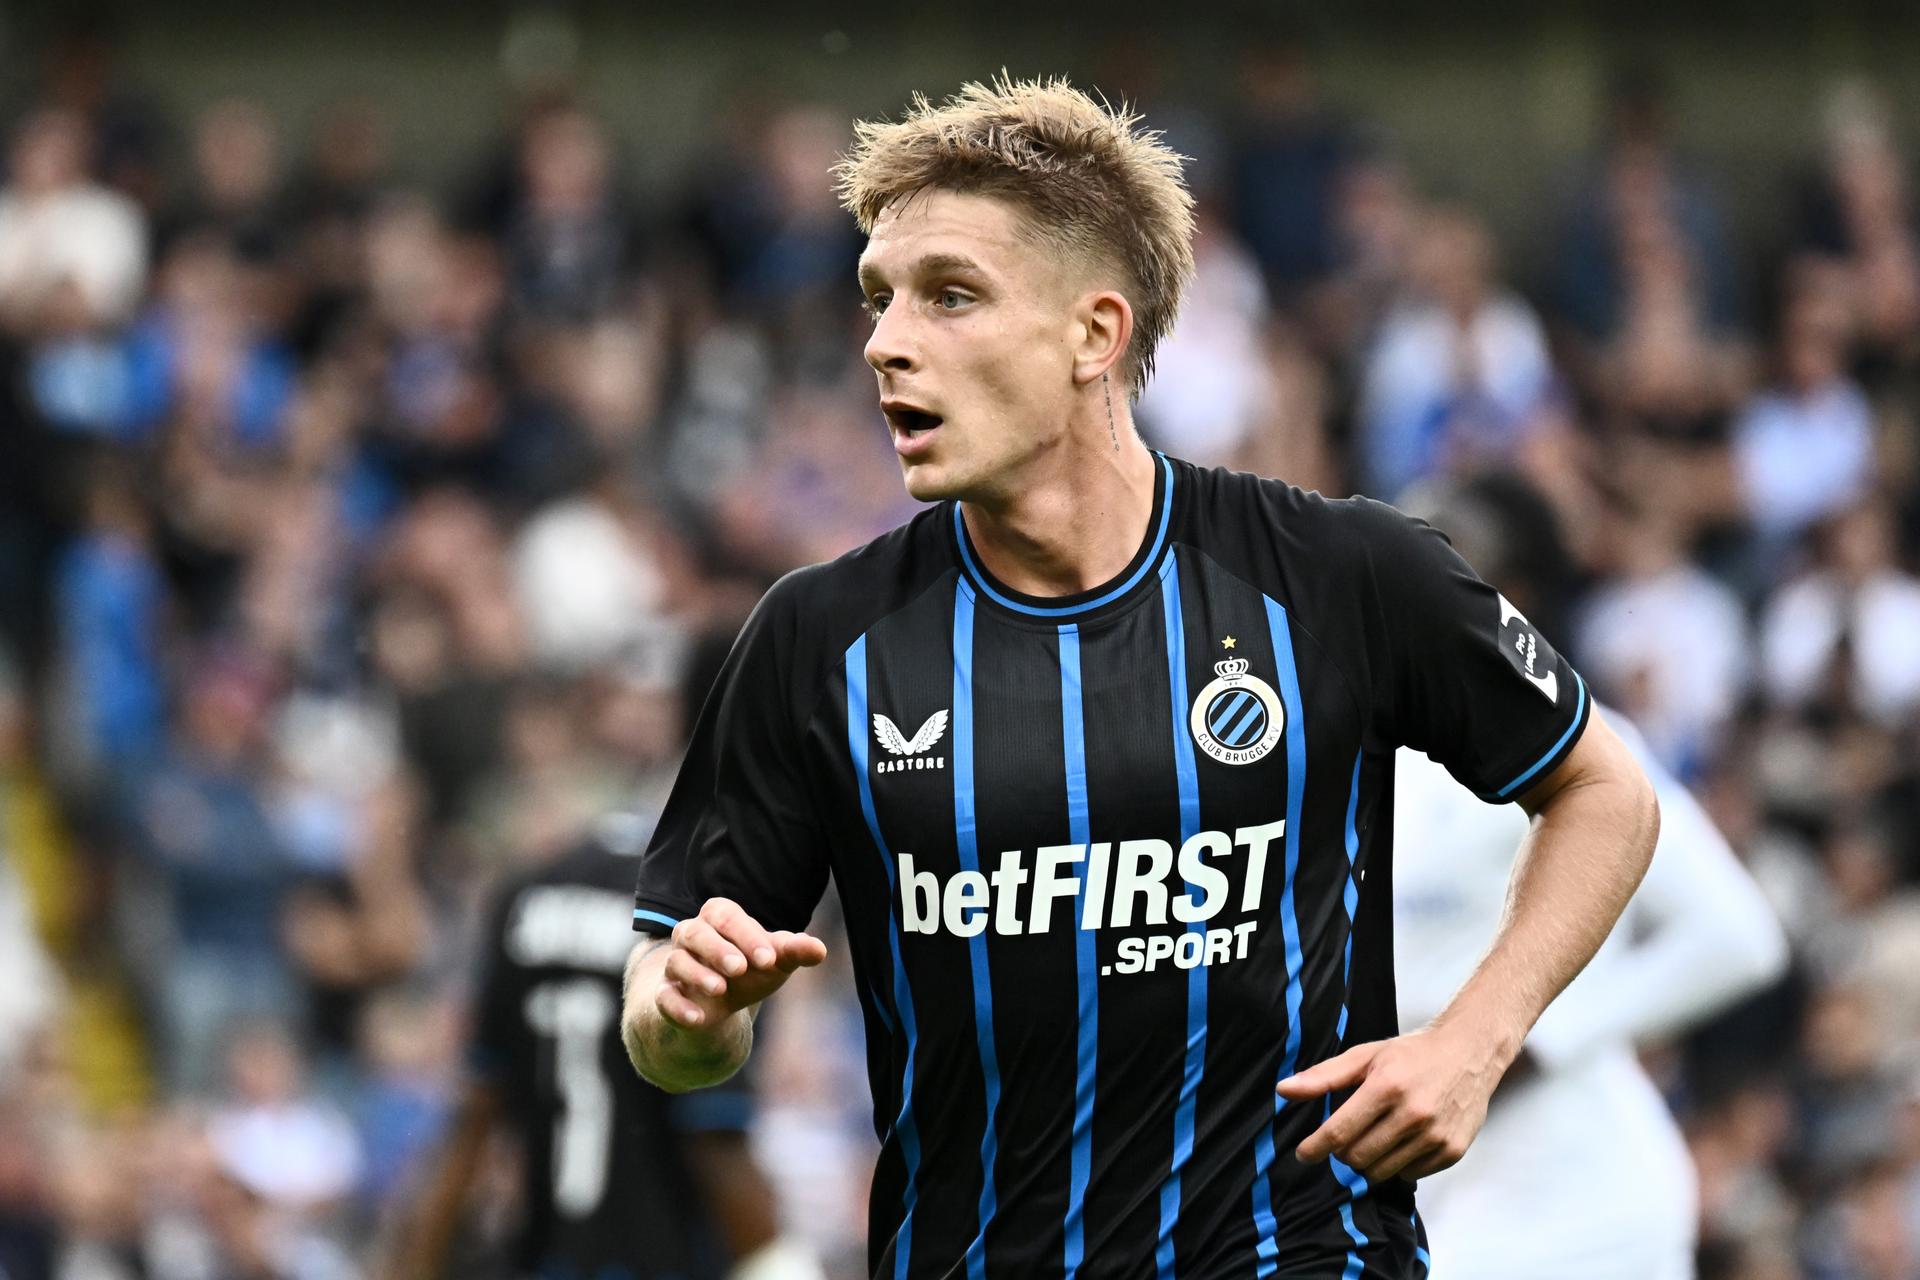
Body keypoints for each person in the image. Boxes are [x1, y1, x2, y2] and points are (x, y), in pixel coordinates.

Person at [621, 76, 1659, 1279]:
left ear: (1095, 334)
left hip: (1298, 1249)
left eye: (950, 295)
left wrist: (1475, 1040)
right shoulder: (819, 639)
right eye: (877, 298)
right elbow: (667, 1021)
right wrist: (689, 1012)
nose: (886, 341)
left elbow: (1606, 792)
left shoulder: (1336, 575)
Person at [385, 814, 821, 1280]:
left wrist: (411, 1264)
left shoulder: (527, 893)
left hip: (548, 1255)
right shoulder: (701, 916)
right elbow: (714, 1141)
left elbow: (473, 1120)